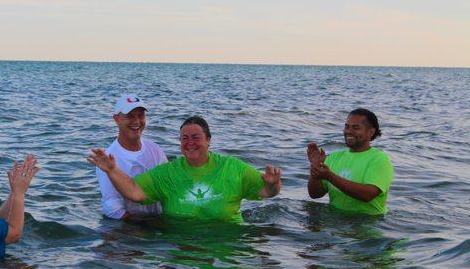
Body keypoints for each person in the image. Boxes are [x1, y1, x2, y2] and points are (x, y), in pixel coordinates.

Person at [89, 116, 282, 222]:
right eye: (184, 138)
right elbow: (135, 192)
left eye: (196, 137)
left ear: (208, 140)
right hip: (180, 246)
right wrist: (112, 170)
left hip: (227, 246)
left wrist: (274, 184)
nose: (190, 143)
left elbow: (267, 192)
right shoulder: (168, 172)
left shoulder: (232, 167)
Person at [307, 108, 394, 215]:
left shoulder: (379, 159)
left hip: (368, 222)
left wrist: (330, 176)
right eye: (346, 127)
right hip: (336, 222)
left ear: (371, 132)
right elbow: (315, 194)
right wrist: (315, 170)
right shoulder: (334, 157)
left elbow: (367, 195)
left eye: (356, 128)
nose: (348, 131)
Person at [95, 94, 167, 220]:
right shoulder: (108, 160)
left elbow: (168, 186)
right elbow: (113, 209)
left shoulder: (155, 149)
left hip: (158, 221)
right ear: (116, 119)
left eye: (141, 116)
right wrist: (143, 230)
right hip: (130, 228)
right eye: (130, 116)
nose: (136, 122)